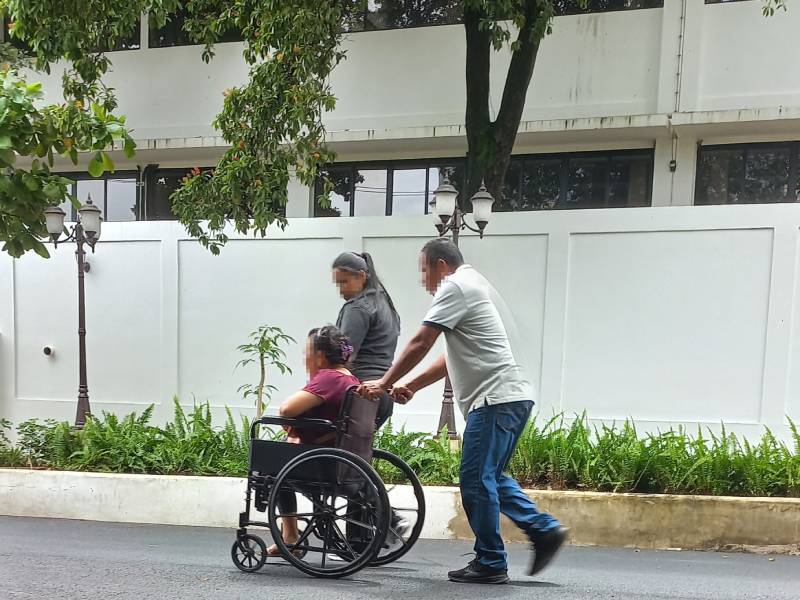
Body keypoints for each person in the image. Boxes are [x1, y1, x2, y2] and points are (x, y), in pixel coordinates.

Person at [360, 238, 568, 584]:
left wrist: (383, 382)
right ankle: (544, 530)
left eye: (424, 270)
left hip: (495, 401)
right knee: (491, 478)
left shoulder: (455, 285)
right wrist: (411, 385)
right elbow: (448, 359)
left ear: (441, 266)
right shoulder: (473, 284)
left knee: (476, 480)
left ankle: (490, 561)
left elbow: (421, 342)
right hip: (509, 397)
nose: (422, 279)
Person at [331, 251, 410, 540]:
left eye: (343, 282)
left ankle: (384, 517)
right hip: (382, 394)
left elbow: (343, 355)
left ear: (360, 276)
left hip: (362, 393)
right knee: (358, 459)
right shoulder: (386, 305)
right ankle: (360, 536)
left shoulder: (359, 307)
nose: (341, 290)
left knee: (348, 462)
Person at [267, 325, 360, 557]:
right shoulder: (350, 378)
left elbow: (287, 408)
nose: (304, 359)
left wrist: (292, 427)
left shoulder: (329, 378)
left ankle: (290, 538)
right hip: (339, 458)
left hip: (319, 462)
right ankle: (290, 536)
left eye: (306, 352)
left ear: (319, 356)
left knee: (271, 469)